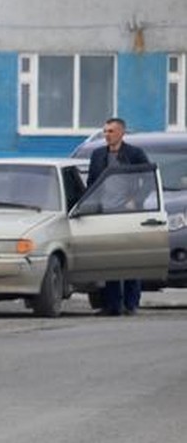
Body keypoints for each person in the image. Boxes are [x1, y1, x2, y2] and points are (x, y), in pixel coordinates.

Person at [86, 117, 151, 316]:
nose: (107, 135)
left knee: (130, 259)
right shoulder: (98, 155)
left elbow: (148, 179)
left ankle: (131, 304)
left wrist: (135, 199)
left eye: (111, 131)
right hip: (104, 214)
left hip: (128, 213)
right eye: (105, 131)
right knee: (109, 260)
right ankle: (112, 305)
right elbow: (91, 183)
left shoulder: (134, 154)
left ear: (122, 132)